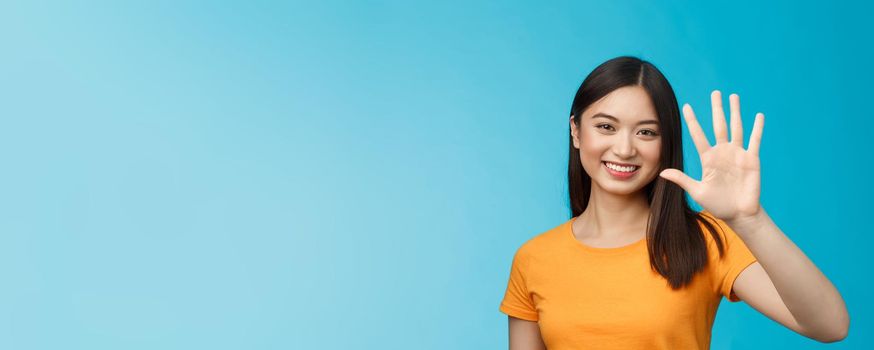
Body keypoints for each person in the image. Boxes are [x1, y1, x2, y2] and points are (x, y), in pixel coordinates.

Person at [499, 56, 849, 349]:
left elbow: (830, 325)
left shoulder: (706, 240)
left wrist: (750, 219)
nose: (624, 148)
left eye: (646, 132)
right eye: (606, 127)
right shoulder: (534, 259)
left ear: (666, 144)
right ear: (576, 131)